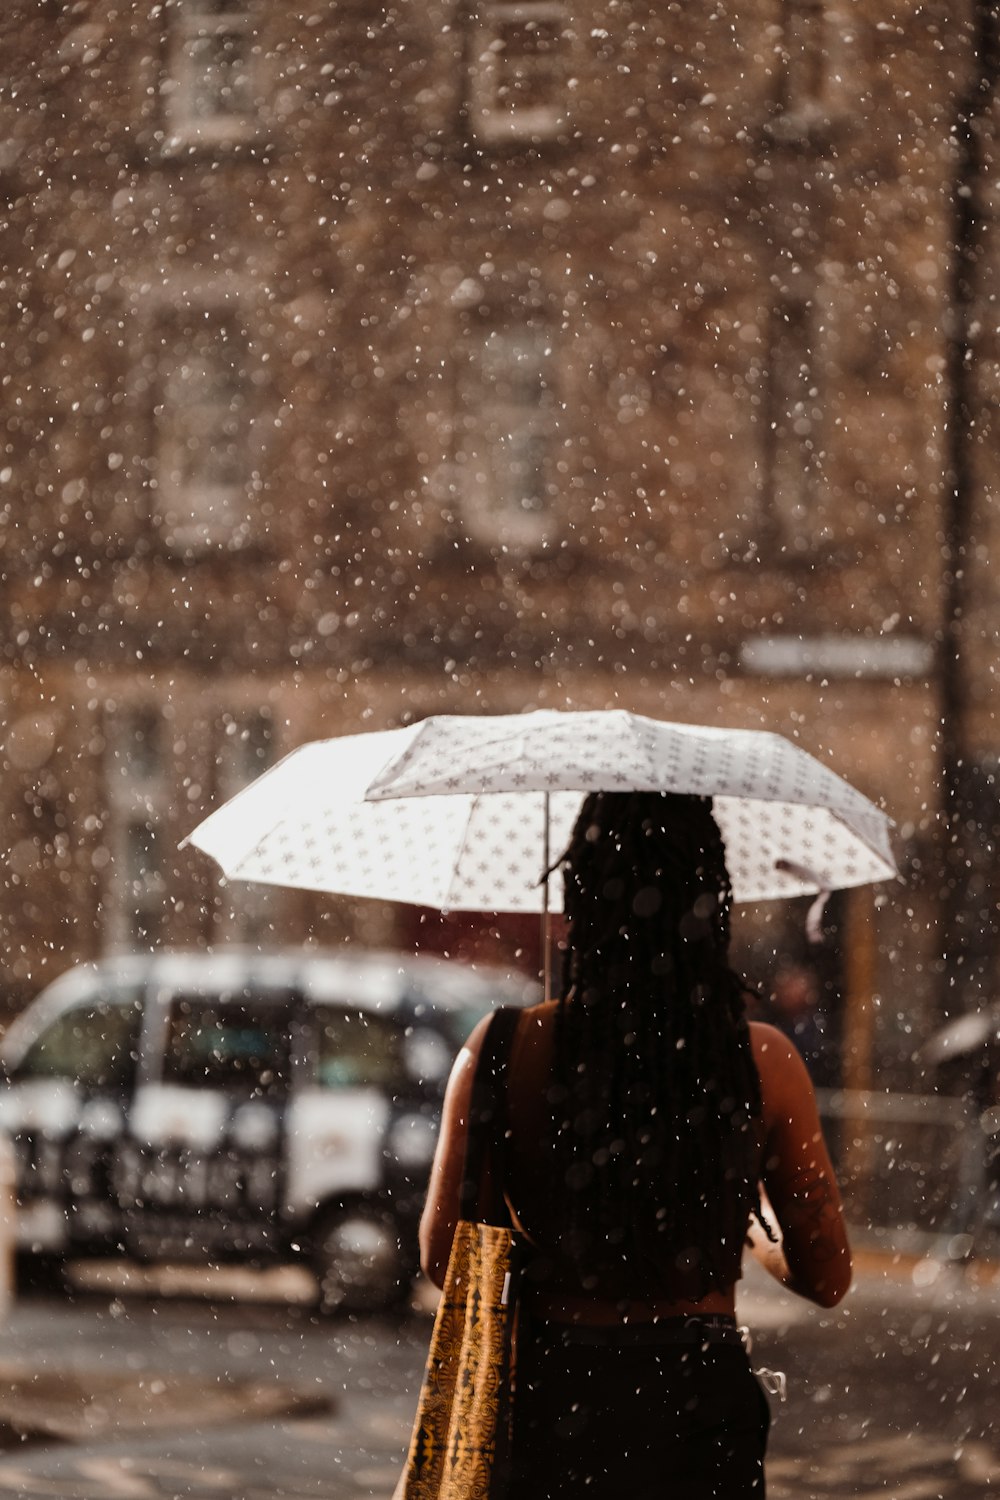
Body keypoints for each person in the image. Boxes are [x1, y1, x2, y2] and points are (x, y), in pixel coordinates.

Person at [419, 791, 851, 1500]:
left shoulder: (501, 1050)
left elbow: (447, 1261)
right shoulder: (763, 1063)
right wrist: (734, 1213)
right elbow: (827, 1277)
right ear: (713, 904)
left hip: (552, 1396)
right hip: (698, 1405)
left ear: (579, 902)